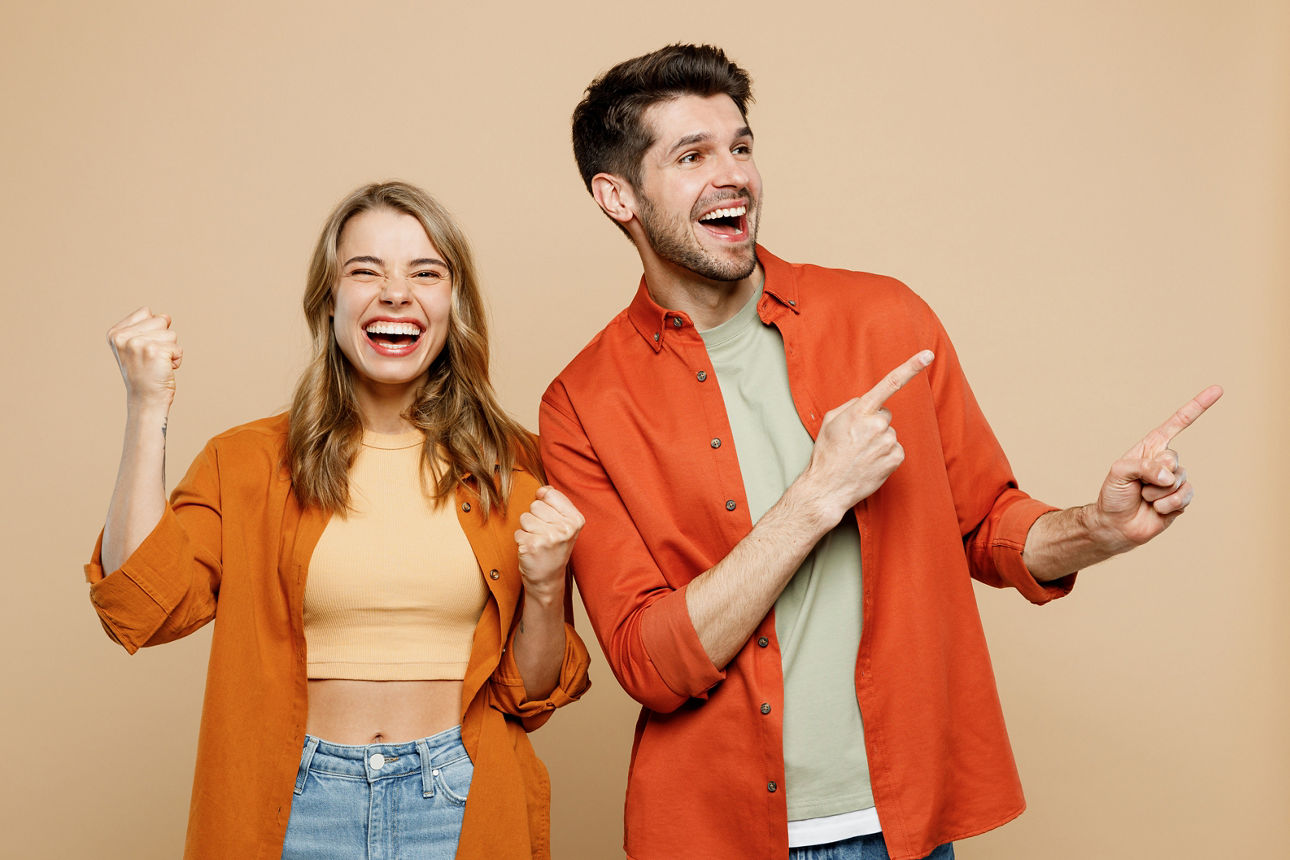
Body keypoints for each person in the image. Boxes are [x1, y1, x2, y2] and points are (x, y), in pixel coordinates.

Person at [539, 44, 1221, 860]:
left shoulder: (884, 320)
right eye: (692, 156)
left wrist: (1098, 529)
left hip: (901, 826)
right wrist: (813, 498)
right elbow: (650, 662)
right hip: (714, 833)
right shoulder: (581, 404)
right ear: (617, 195)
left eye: (742, 146)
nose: (735, 176)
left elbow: (988, 525)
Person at [86, 181, 590, 859]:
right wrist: (147, 406)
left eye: (425, 272)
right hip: (295, 803)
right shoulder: (248, 463)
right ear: (329, 301)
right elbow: (139, 605)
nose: (395, 292)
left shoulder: (513, 466)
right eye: (365, 271)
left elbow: (532, 697)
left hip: (457, 799)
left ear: (452, 304)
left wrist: (548, 584)